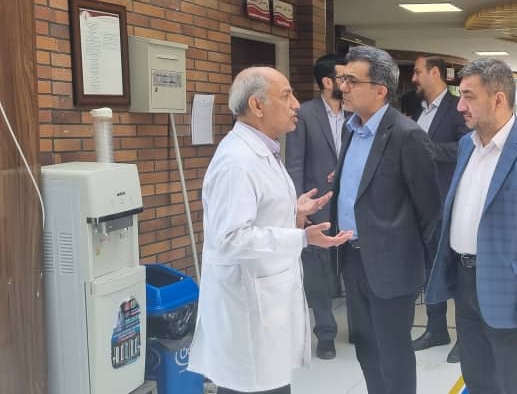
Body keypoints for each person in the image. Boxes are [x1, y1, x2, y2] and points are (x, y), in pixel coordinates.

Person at [189, 67, 352, 394]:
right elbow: (231, 237)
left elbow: (257, 212)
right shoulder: (237, 161)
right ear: (257, 105)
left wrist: (293, 211)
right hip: (248, 311)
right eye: (286, 96)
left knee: (272, 383)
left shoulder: (263, 149)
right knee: (253, 386)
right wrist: (302, 237)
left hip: (266, 307)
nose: (296, 105)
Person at [425, 58, 517, 394]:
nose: (460, 106)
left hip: (511, 292)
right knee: (478, 378)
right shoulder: (467, 146)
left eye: (469, 96)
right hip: (466, 283)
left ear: (498, 99)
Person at [332, 46, 442, 394]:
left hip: (393, 266)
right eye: (343, 79)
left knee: (393, 355)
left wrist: (425, 269)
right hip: (353, 257)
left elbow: (430, 210)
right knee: (366, 349)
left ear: (380, 89)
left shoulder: (407, 135)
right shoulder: (350, 129)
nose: (343, 87)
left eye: (352, 81)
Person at [284, 53, 351, 360]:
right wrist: (300, 207)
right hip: (316, 205)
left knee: (352, 266)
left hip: (350, 205)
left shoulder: (355, 114)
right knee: (317, 271)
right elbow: (295, 162)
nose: (348, 83)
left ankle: (358, 329)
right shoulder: (306, 114)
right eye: (343, 78)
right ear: (327, 82)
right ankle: (325, 333)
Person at [409, 54, 470, 363]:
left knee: (455, 272)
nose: (413, 78)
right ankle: (436, 330)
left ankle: (466, 339)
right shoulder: (416, 110)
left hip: (448, 203)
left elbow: (467, 147)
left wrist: (428, 150)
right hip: (420, 205)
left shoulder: (458, 108)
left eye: (417, 71)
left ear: (435, 73)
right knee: (430, 271)